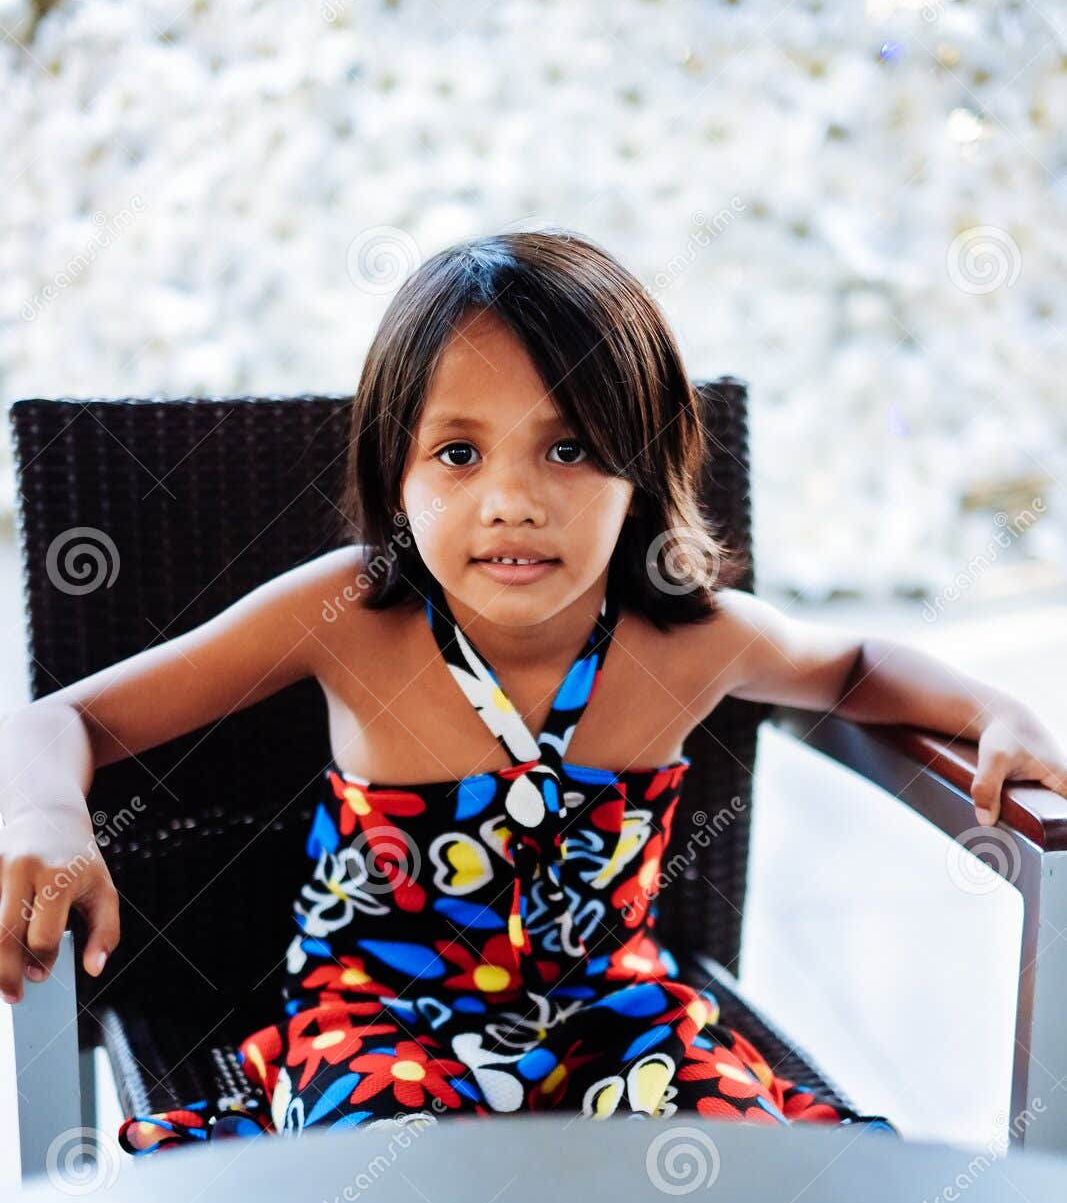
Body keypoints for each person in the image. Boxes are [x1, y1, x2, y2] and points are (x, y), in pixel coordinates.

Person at [2, 232, 1066, 1152]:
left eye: (567, 448)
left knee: (750, 1174)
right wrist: (48, 812)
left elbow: (853, 668)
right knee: (389, 1192)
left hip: (618, 1013)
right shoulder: (348, 614)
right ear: (395, 474)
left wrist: (991, 712)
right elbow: (64, 718)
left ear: (641, 471)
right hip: (378, 1019)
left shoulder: (689, 634)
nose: (510, 500)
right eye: (457, 453)